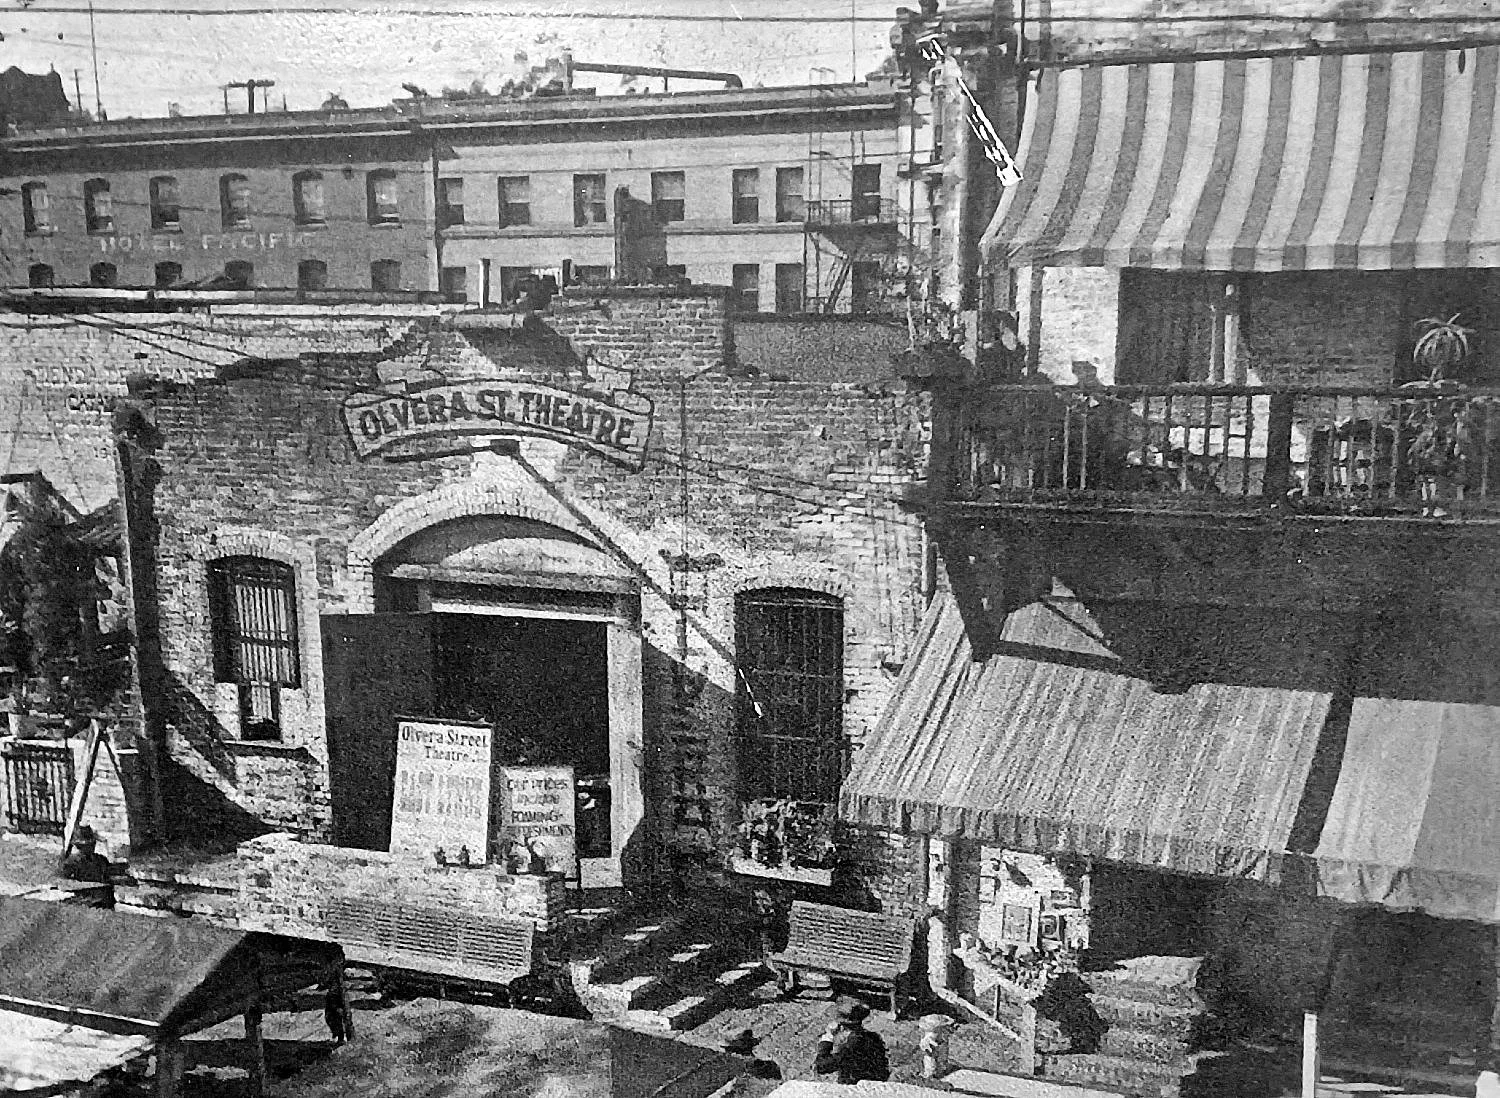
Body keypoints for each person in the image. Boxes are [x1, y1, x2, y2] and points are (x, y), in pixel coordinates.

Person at [814, 996, 889, 1085]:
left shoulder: (852, 1044)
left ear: (842, 1028)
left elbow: (821, 1066)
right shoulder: (873, 1037)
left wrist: (826, 1042)